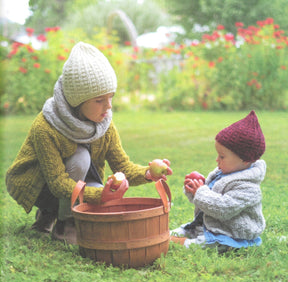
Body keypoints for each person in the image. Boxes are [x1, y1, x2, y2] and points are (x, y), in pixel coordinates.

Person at [6, 42, 172, 244]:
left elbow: (123, 166)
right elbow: (58, 183)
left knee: (96, 198)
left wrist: (148, 173)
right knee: (81, 157)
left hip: (75, 184)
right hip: (42, 186)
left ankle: (53, 215)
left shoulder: (104, 125)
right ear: (77, 101)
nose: (109, 106)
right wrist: (98, 195)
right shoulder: (46, 126)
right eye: (99, 100)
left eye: (111, 97)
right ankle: (64, 223)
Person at [170, 111, 266, 252]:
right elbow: (205, 201)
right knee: (181, 231)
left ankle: (179, 243)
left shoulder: (249, 188)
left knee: (205, 244)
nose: (217, 160)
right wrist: (194, 189)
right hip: (209, 225)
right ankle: (171, 236)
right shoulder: (221, 173)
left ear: (245, 160)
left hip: (230, 234)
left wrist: (200, 191)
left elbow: (222, 208)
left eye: (222, 156)